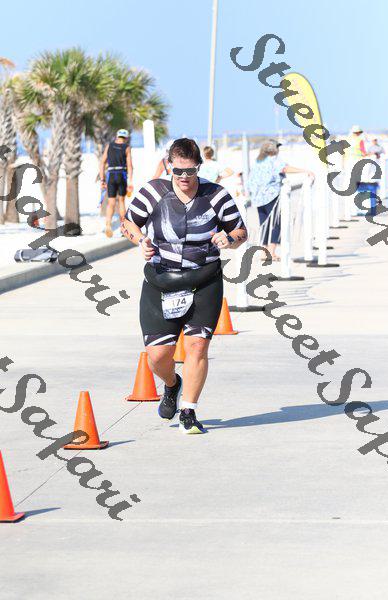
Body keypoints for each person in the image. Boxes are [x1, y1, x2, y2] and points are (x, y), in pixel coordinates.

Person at [121, 138, 247, 434]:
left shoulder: (216, 195)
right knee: (157, 356)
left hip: (204, 280)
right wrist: (141, 240)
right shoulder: (153, 192)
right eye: (178, 171)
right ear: (169, 166)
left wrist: (229, 239)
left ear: (199, 167)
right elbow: (128, 223)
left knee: (197, 346)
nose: (184, 177)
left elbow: (241, 231)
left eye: (190, 171)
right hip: (161, 279)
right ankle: (171, 384)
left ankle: (189, 411)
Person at [248, 139, 314, 261]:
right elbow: (285, 169)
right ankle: (271, 252)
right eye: (277, 147)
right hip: (271, 195)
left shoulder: (258, 161)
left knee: (263, 223)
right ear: (273, 149)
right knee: (276, 223)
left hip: (257, 197)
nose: (278, 150)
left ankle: (263, 252)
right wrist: (305, 171)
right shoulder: (274, 160)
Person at [99, 129, 133, 238]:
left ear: (117, 136)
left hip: (111, 175)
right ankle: (123, 228)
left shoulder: (109, 146)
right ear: (126, 138)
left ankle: (108, 225)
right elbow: (130, 165)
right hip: (121, 174)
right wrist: (130, 181)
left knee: (111, 202)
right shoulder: (126, 147)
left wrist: (102, 179)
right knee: (121, 202)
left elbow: (102, 162)